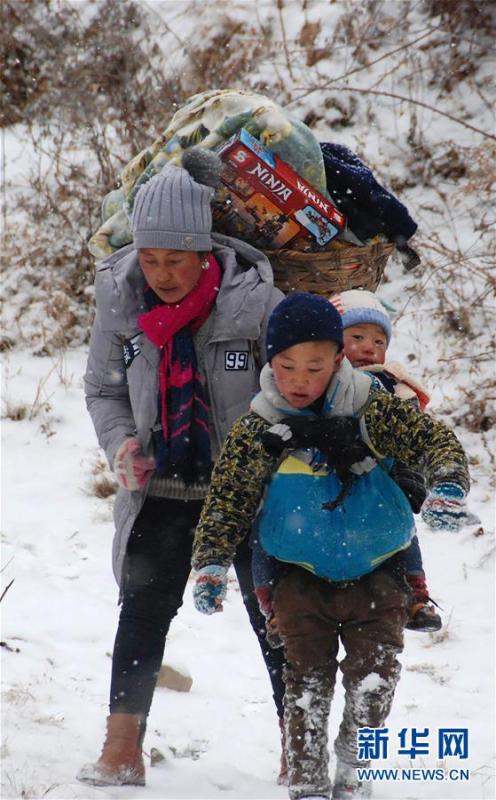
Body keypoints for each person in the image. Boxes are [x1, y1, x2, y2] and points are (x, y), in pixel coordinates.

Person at [191, 292, 471, 800]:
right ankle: (307, 784)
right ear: (269, 362)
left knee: (374, 684)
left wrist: (448, 483)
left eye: (314, 367)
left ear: (339, 359)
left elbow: (434, 443)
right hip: (298, 579)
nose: (298, 380)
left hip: (378, 573)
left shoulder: (371, 407)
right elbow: (228, 499)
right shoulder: (260, 426)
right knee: (305, 689)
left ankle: (354, 765)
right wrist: (211, 563)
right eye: (286, 366)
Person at [77, 149, 287, 788]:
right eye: (149, 257)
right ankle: (121, 748)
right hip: (162, 485)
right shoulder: (123, 299)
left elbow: (293, 390)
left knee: (276, 614)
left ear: (205, 252)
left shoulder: (256, 304)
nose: (161, 274)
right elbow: (102, 387)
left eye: (175, 259)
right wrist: (120, 445)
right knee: (142, 605)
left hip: (243, 490)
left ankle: (299, 745)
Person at [329, 289, 441, 631]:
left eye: (378, 340)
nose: (368, 347)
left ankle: (415, 593)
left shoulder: (394, 386)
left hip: (384, 478)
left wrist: (410, 477)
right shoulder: (318, 380)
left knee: (402, 534)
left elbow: (413, 440)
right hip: (329, 479)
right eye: (357, 337)